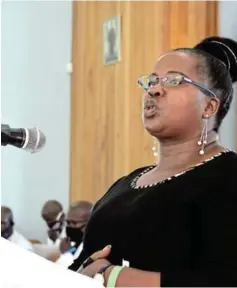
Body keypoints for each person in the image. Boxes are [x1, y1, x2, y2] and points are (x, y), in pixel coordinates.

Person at [76, 36, 237, 287]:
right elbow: (84, 265)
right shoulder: (125, 183)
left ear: (209, 106)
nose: (154, 89)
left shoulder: (228, 176)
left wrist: (115, 277)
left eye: (174, 80)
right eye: (152, 81)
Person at [56, 201, 93, 269]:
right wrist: (71, 251)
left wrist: (67, 253)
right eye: (67, 222)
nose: (69, 226)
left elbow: (76, 271)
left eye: (73, 222)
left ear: (89, 222)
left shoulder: (92, 245)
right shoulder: (79, 241)